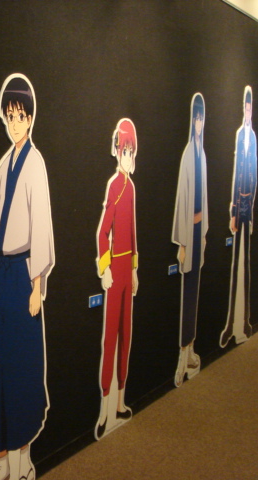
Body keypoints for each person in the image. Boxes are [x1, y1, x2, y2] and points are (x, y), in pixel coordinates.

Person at [0, 73, 55, 480]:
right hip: (3, 273)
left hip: (25, 273)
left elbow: (41, 225)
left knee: (23, 367)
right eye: (9, 116)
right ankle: (4, 461)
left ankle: (24, 460)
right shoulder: (1, 167)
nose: (14, 123)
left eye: (20, 116)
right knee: (0, 367)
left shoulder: (35, 164)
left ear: (30, 118)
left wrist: (37, 285)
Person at [94, 118, 139, 440]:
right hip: (115, 269)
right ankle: (104, 408)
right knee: (110, 338)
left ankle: (120, 401)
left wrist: (134, 269)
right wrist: (105, 267)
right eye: (125, 150)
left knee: (126, 334)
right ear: (117, 150)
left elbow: (133, 232)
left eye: (131, 151)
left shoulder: (131, 188)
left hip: (127, 269)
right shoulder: (114, 186)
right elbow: (102, 232)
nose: (128, 156)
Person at [172, 94, 208, 387]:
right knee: (187, 292)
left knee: (194, 290)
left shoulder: (202, 154)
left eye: (201, 118)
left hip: (198, 230)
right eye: (195, 118)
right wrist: (183, 243)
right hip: (188, 232)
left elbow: (203, 198)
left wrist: (202, 234)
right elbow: (182, 200)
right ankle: (182, 355)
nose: (198, 123)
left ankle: (191, 348)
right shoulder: (187, 154)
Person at [220, 86, 257, 347]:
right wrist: (233, 210)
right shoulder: (239, 135)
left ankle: (245, 322)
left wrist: (250, 209)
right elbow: (236, 174)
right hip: (239, 204)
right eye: (245, 107)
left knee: (246, 263)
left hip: (248, 205)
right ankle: (231, 323)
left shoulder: (252, 137)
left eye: (250, 108)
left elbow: (254, 174)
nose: (247, 111)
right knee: (235, 264)